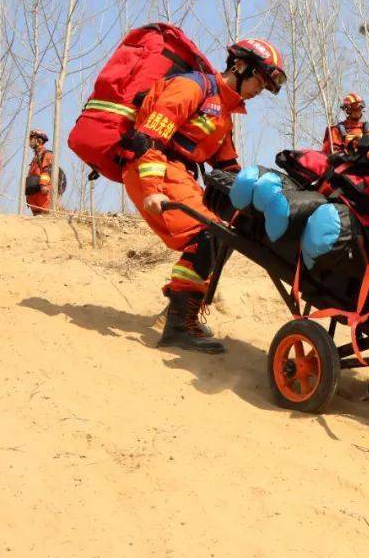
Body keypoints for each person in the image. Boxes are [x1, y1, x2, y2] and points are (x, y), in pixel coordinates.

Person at [122, 38, 287, 354]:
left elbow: (227, 167)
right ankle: (178, 326)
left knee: (224, 234)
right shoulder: (191, 88)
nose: (259, 90)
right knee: (207, 234)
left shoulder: (222, 111)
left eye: (266, 87)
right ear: (240, 66)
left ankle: (184, 311)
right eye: (258, 81)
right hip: (153, 169)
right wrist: (154, 190)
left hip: (178, 174)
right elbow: (150, 138)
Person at [25, 129, 55, 215]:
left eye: (32, 138)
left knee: (43, 217)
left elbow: (47, 171)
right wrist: (28, 194)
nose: (30, 141)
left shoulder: (46, 154)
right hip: (33, 195)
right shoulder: (35, 158)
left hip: (42, 194)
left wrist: (44, 185)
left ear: (39, 140)